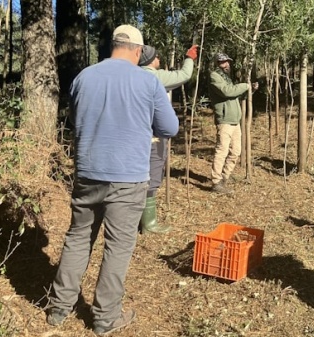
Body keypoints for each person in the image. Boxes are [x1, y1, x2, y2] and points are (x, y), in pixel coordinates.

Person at [45, 25, 179, 336]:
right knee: (117, 247)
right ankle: (105, 318)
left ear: (113, 46)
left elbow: (75, 119)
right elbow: (169, 128)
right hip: (128, 178)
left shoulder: (84, 77)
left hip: (88, 173)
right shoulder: (147, 81)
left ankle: (59, 308)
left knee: (78, 239)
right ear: (136, 51)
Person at [137, 44, 198, 234]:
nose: (160, 61)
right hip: (153, 137)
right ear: (151, 60)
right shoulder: (153, 76)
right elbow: (183, 76)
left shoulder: (131, 75)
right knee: (153, 174)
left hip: (134, 136)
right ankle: (149, 224)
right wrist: (189, 58)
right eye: (157, 57)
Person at [207, 52, 258, 194]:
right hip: (224, 120)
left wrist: (250, 90)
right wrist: (246, 85)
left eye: (227, 61)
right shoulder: (215, 76)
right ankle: (216, 182)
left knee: (236, 151)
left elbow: (235, 95)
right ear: (217, 63)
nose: (226, 64)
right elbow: (227, 92)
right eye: (223, 62)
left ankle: (224, 178)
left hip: (235, 120)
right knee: (222, 150)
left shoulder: (226, 78)